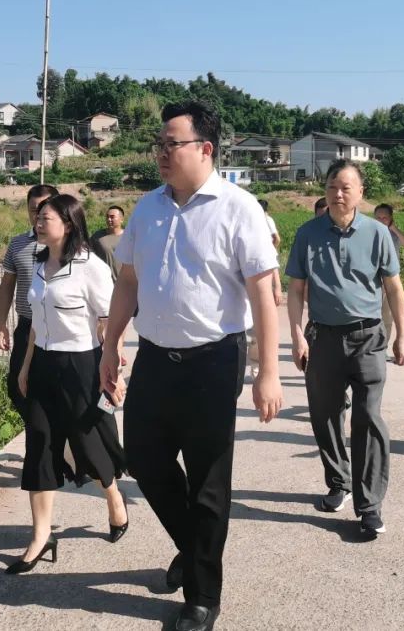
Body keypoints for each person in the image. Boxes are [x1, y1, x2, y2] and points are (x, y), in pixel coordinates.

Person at [100, 100, 282, 631]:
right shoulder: (147, 208)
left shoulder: (238, 208)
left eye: (171, 143)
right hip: (156, 357)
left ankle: (203, 596)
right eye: (158, 144)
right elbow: (128, 282)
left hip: (213, 361)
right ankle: (195, 547)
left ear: (205, 148)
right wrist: (110, 345)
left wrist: (268, 371)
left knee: (207, 482)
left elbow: (263, 294)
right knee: (144, 459)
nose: (161, 152)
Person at [7, 194, 129, 574]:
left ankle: (114, 499)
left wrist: (115, 370)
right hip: (43, 363)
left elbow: (111, 322)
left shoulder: (90, 267)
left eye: (46, 218)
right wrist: (26, 367)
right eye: (38, 217)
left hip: (81, 365)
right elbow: (35, 323)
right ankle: (41, 536)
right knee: (40, 443)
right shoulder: (39, 264)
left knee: (87, 443)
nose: (38, 222)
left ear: (69, 224)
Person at [287, 160, 404, 538]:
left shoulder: (377, 233)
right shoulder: (308, 234)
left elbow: (393, 288)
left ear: (360, 192)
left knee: (368, 418)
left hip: (368, 338)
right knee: (325, 416)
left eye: (345, 187)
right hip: (322, 339)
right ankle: (338, 482)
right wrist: (296, 335)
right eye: (331, 187)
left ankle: (369, 506)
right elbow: (296, 289)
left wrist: (403, 334)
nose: (337, 194)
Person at [0, 184, 58, 413]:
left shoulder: (69, 246)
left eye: (45, 209)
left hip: (59, 329)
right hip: (26, 326)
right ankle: (34, 426)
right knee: (18, 387)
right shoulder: (17, 244)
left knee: (56, 389)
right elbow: (7, 285)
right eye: (34, 210)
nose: (38, 216)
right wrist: (1, 324)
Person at [248, 199, 282, 378]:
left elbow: (270, 263)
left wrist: (277, 287)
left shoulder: (265, 224)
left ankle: (257, 367)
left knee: (257, 330)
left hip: (259, 286)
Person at [373, 203, 404, 353]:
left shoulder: (394, 233)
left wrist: (393, 228)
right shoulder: (369, 232)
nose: (381, 220)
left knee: (387, 317)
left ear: (391, 218)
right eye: (378, 217)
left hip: (390, 281)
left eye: (385, 218)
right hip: (372, 280)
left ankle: (382, 349)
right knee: (371, 316)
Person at [89, 205, 126, 281]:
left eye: (112, 217)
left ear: (121, 219)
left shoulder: (129, 237)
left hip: (124, 283)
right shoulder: (98, 236)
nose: (109, 219)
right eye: (107, 217)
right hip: (103, 282)